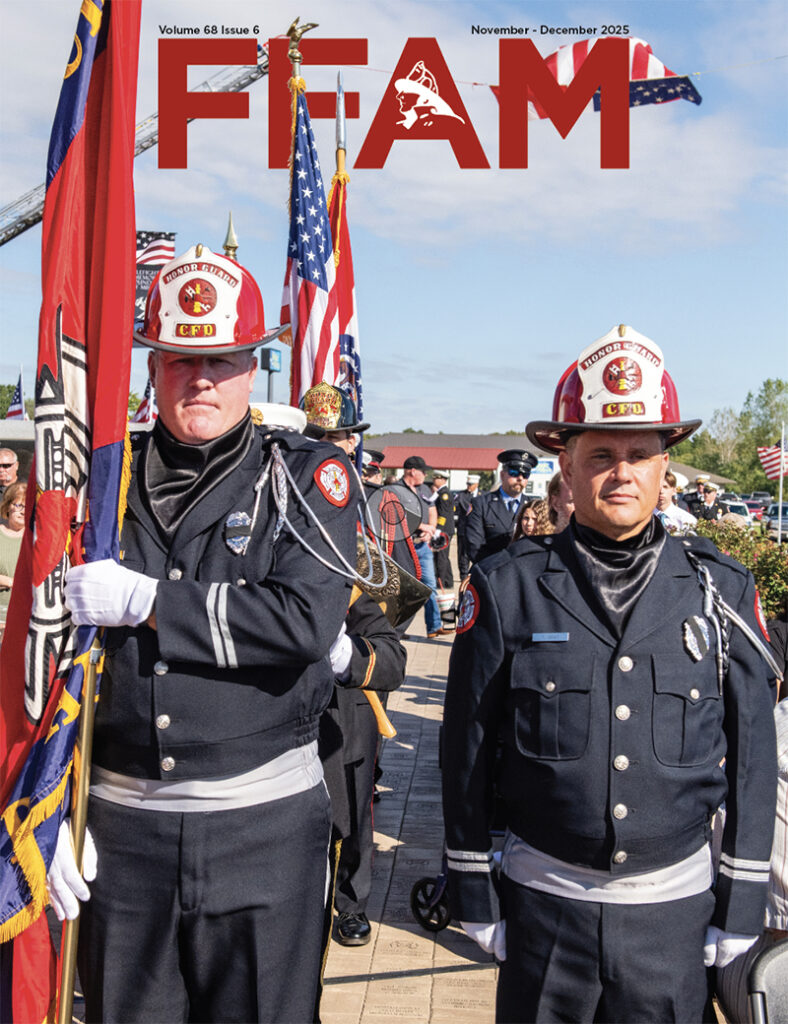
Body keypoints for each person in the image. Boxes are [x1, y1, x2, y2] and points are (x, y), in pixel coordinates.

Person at [57, 244, 359, 1023]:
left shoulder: (304, 476)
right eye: (181, 359)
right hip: (120, 833)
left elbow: (304, 621)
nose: (201, 379)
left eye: (220, 359)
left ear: (253, 367)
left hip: (262, 832)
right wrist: (49, 806)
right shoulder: (99, 483)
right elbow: (46, 647)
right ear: (152, 367)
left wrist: (149, 602)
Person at [442, 323, 778, 1024]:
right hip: (543, 912)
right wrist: (472, 884)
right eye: (600, 454)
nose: (621, 472)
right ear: (566, 468)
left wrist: (742, 900)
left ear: (665, 470)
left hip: (673, 919)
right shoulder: (508, 587)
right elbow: (466, 747)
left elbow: (753, 756)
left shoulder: (720, 590)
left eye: (639, 455)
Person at [389, 456, 447, 638]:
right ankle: (396, 629)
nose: (425, 475)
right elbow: (397, 516)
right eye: (423, 471)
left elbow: (432, 510)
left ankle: (434, 626)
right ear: (412, 471)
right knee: (403, 589)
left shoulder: (425, 489)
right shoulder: (394, 490)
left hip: (423, 546)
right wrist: (422, 526)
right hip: (404, 548)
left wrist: (430, 530)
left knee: (429, 586)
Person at [465, 450, 538, 565]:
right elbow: (474, 546)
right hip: (490, 570)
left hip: (524, 569)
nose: (520, 478)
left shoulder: (533, 506)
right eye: (514, 472)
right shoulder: (481, 504)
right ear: (502, 475)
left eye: (525, 475)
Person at [0, 482, 26, 637]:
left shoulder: (35, 540)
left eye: (27, 506)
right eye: (18, 505)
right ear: (7, 507)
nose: (23, 511)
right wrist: (10, 582)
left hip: (25, 618)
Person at [430, 470, 455, 589]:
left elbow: (444, 513)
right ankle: (448, 581)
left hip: (444, 529)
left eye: (436, 478)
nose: (434, 480)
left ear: (443, 480)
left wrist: (438, 529)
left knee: (441, 557)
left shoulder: (444, 494)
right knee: (443, 556)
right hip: (445, 528)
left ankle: (440, 582)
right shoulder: (440, 492)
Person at [454, 474, 480, 578]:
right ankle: (463, 577)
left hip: (477, 531)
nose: (468, 486)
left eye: (471, 484)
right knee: (462, 556)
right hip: (463, 530)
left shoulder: (483, 495)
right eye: (468, 484)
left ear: (476, 484)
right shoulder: (461, 495)